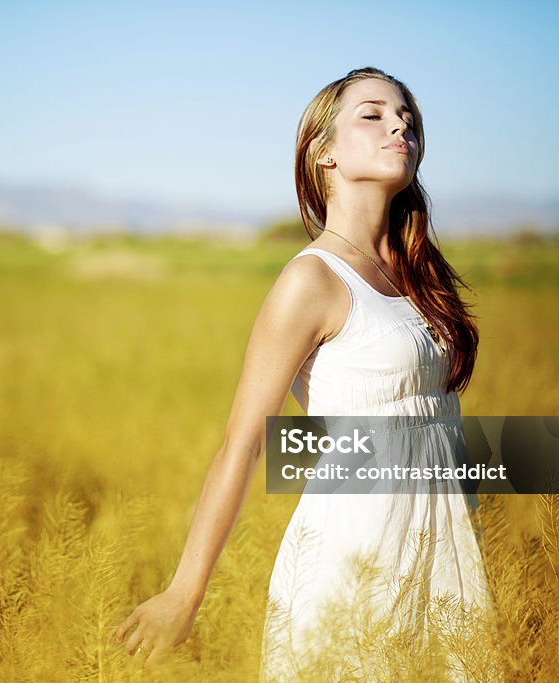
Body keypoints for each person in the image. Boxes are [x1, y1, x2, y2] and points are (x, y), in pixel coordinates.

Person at [115, 67, 495, 680]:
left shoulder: (421, 274)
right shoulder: (311, 280)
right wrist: (184, 594)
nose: (399, 125)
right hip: (355, 558)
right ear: (324, 153)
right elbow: (243, 444)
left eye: (408, 118)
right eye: (372, 114)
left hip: (444, 556)